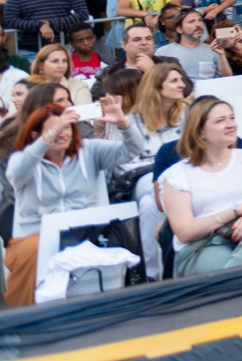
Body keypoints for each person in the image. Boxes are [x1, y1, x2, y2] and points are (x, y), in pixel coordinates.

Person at [4, 94, 145, 305]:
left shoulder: (88, 151)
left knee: (121, 234)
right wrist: (50, 135)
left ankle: (126, 300)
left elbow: (134, 151)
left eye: (67, 127)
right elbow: (17, 173)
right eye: (55, 129)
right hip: (35, 236)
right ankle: (25, 315)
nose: (63, 134)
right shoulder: (22, 159)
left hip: (84, 231)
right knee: (34, 249)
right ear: (36, 135)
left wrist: (123, 123)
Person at [158, 97, 242, 275]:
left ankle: (227, 294)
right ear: (200, 131)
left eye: (232, 118)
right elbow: (185, 232)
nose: (230, 124)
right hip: (204, 246)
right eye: (220, 121)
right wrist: (236, 211)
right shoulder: (178, 175)